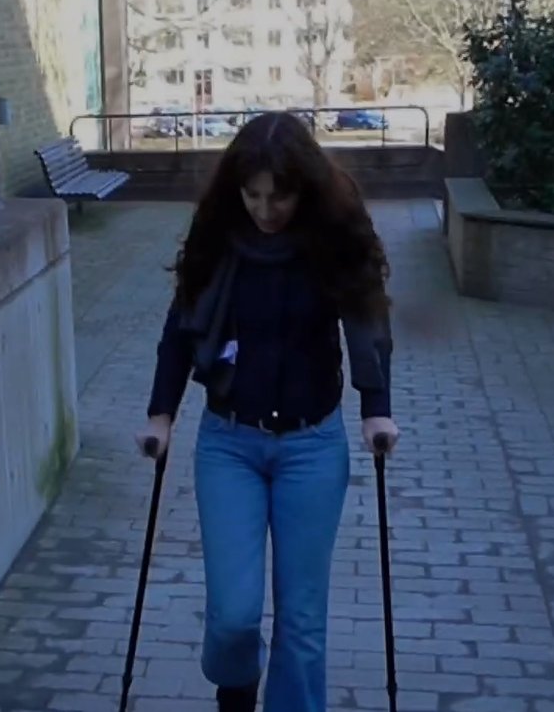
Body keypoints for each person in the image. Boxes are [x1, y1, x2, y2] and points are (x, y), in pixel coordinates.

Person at [134, 110, 399, 712]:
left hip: (312, 446)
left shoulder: (331, 237)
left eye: (278, 196)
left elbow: (367, 320)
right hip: (229, 444)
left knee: (301, 624)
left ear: (304, 187)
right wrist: (160, 414)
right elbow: (181, 326)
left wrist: (376, 409)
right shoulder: (220, 235)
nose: (264, 209)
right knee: (233, 615)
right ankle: (236, 691)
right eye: (252, 195)